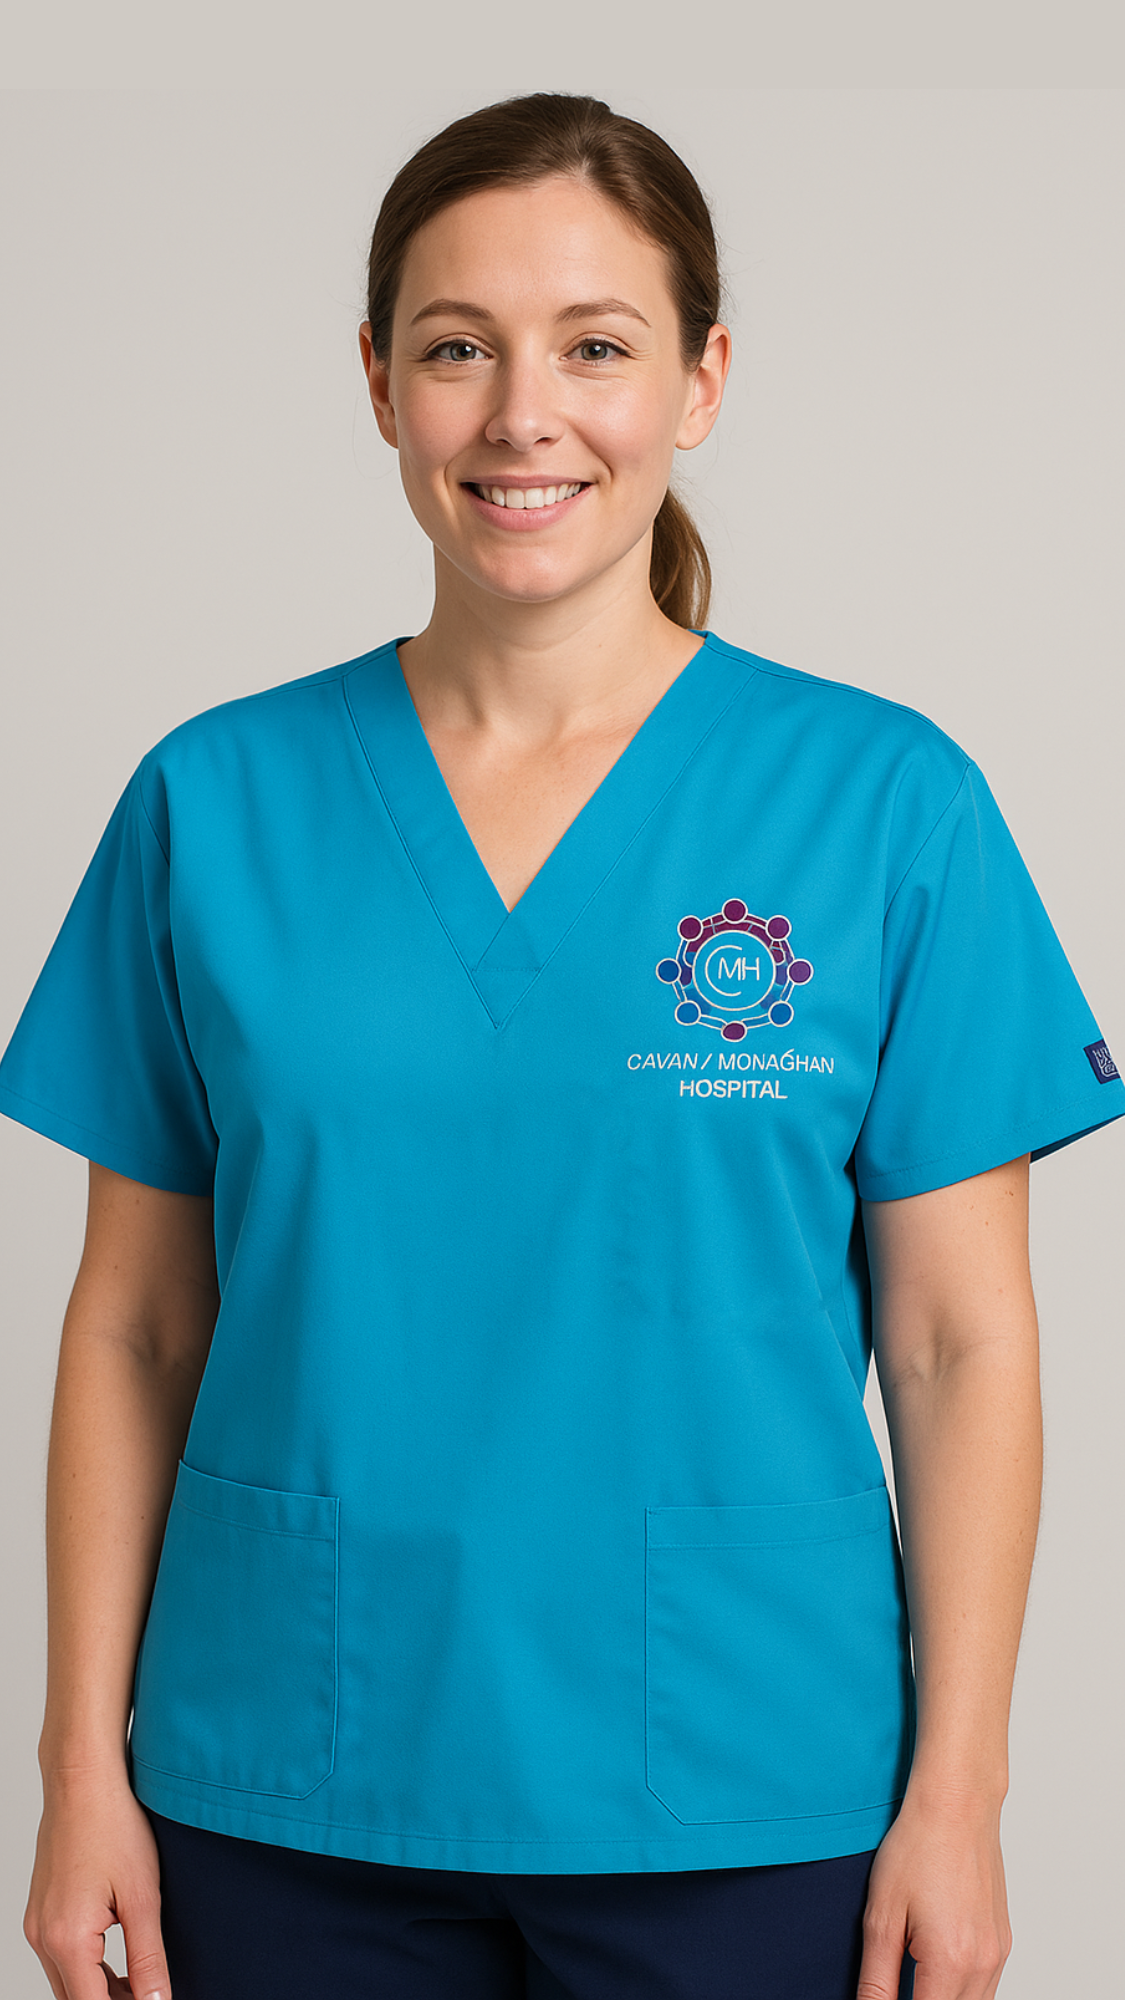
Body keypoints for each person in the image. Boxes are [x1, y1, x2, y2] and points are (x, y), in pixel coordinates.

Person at [3, 90, 1122, 2000]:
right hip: (288, 1783)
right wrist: (73, 1769)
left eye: (597, 346)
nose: (525, 413)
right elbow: (133, 1324)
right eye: (458, 349)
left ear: (700, 381)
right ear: (378, 384)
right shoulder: (217, 801)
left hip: (744, 1791)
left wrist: (959, 1795)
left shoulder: (884, 807)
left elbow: (956, 1340)